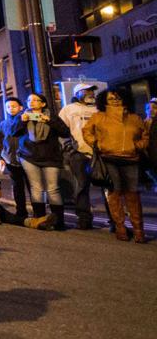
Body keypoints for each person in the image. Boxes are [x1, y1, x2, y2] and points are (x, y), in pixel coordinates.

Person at [83, 88, 147, 243]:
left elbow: (145, 135)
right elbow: (87, 132)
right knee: (115, 194)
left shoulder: (134, 118)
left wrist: (137, 146)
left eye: (118, 98)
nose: (115, 101)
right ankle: (121, 228)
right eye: (111, 99)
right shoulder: (98, 117)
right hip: (108, 159)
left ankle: (139, 231)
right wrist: (97, 144)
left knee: (133, 195)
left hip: (131, 159)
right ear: (105, 101)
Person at [15, 93, 70, 231]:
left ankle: (58, 221)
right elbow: (13, 133)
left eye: (35, 100)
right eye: (29, 100)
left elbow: (65, 132)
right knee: (36, 188)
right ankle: (40, 219)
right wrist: (22, 121)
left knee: (53, 188)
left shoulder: (51, 116)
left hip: (51, 157)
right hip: (29, 157)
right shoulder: (23, 116)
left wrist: (49, 121)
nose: (31, 102)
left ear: (43, 104)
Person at [58, 83, 99, 230]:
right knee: (81, 186)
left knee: (108, 187)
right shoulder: (68, 109)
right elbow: (60, 130)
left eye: (92, 91)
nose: (91, 93)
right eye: (87, 91)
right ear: (78, 93)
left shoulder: (98, 109)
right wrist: (69, 147)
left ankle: (115, 221)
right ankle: (84, 218)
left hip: (100, 153)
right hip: (79, 153)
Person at [0, 97, 30, 223]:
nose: (11, 109)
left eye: (14, 106)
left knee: (33, 186)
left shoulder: (27, 121)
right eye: (8, 107)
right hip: (11, 161)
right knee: (17, 188)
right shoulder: (3, 124)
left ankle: (38, 212)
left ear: (20, 107)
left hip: (27, 159)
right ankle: (21, 212)